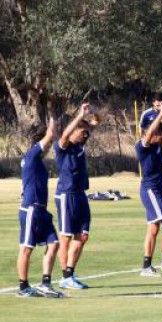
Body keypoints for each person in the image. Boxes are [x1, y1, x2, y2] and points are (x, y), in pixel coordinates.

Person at [17, 118, 65, 298]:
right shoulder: (31, 155)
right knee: (26, 248)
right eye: (49, 143)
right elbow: (51, 134)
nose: (50, 146)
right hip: (31, 210)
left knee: (54, 244)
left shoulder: (36, 161)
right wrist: (52, 119)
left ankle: (45, 283)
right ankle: (23, 287)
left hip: (42, 211)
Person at [56, 103, 96, 290]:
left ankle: (70, 272)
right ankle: (65, 276)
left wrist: (90, 113)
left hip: (80, 195)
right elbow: (65, 135)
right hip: (66, 195)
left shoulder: (81, 144)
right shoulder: (63, 146)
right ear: (74, 132)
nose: (86, 136)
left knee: (83, 236)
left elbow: (96, 121)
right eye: (82, 133)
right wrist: (80, 115)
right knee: (65, 237)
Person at [135, 101, 162, 277]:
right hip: (150, 190)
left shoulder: (158, 145)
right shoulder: (142, 147)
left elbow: (159, 130)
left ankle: (147, 265)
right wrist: (161, 113)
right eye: (161, 137)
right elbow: (150, 132)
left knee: (154, 228)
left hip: (159, 188)